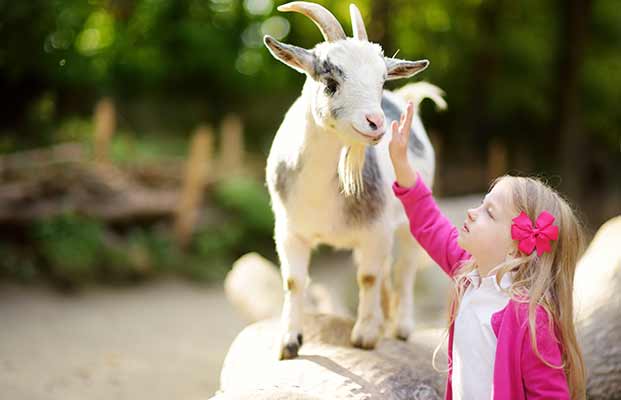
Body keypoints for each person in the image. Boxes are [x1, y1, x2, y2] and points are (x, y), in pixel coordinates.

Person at [388, 102, 587, 400]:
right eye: (482, 204)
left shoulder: (531, 321)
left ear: (515, 247)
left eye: (489, 213)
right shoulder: (469, 273)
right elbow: (429, 222)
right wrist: (402, 164)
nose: (471, 212)